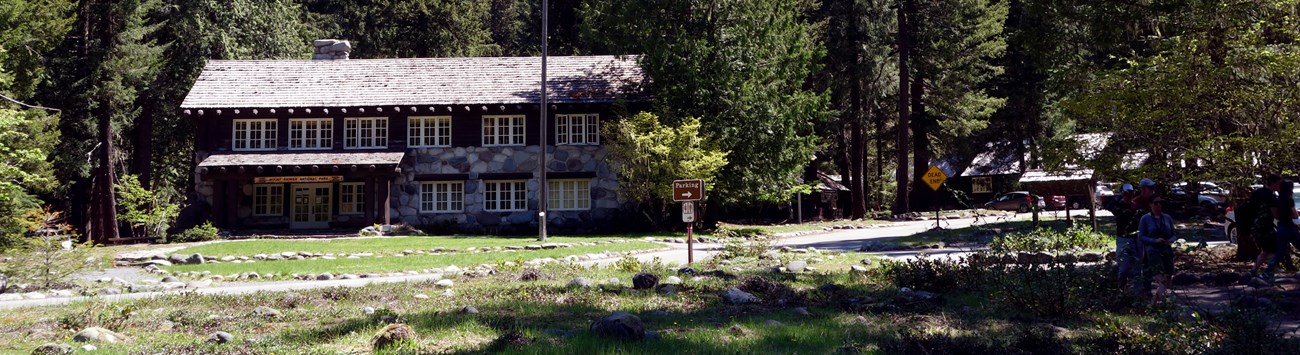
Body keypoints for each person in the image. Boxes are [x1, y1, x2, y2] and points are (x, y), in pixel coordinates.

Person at [1138, 197, 1176, 304]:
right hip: (1153, 251)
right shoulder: (1145, 219)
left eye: (1161, 203)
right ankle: (1161, 303)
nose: (1158, 205)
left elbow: (1174, 235)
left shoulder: (1167, 218)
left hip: (1167, 250)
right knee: (1161, 278)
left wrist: (1169, 241)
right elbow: (1141, 237)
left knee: (1169, 277)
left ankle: (1156, 302)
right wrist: (1155, 241)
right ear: (1150, 204)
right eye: (1156, 203)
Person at [1247, 174, 1283, 279]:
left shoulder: (1258, 192)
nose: (1280, 186)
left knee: (1266, 250)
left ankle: (1254, 270)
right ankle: (1269, 271)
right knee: (1274, 249)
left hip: (1254, 226)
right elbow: (1276, 215)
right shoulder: (1270, 196)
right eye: (1278, 183)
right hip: (1264, 227)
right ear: (1273, 183)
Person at [1106, 184, 1141, 292]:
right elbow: (1109, 206)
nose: (1128, 195)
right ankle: (1120, 290)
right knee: (1124, 268)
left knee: (1137, 268)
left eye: (1130, 193)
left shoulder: (1136, 206)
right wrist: (1120, 198)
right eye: (1126, 193)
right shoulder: (1118, 206)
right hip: (1123, 238)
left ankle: (1137, 293)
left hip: (1136, 238)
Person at [1265, 181, 1299, 279]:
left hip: (1281, 227)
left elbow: (1278, 215)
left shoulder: (1278, 199)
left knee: (1280, 251)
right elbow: (1295, 215)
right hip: (1289, 227)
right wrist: (1295, 214)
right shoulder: (1289, 199)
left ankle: (1268, 270)